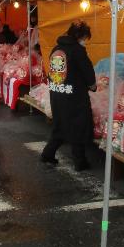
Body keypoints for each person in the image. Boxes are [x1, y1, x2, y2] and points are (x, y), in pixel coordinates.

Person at [40, 21, 96, 171]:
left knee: (60, 126)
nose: (85, 40)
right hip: (74, 96)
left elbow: (52, 72)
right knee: (78, 126)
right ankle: (80, 162)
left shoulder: (57, 48)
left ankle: (48, 153)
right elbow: (87, 70)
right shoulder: (77, 50)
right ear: (80, 36)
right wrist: (92, 85)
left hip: (57, 93)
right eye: (85, 37)